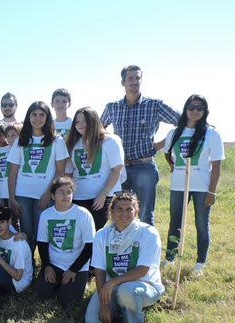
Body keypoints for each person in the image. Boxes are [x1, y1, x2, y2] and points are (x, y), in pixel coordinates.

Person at [101, 65, 180, 226]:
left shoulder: (154, 105)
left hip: (144, 167)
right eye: (130, 78)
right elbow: (99, 129)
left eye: (137, 78)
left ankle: (147, 250)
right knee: (117, 212)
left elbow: (182, 121)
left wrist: (159, 145)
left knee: (145, 214)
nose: (134, 82)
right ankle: (122, 248)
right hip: (119, 169)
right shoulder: (112, 107)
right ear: (123, 82)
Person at [161, 95, 224, 274]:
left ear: (205, 111)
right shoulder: (174, 133)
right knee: (175, 223)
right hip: (178, 185)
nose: (195, 111)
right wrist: (173, 165)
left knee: (201, 224)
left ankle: (200, 263)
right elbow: (167, 152)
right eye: (191, 107)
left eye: (200, 108)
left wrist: (212, 192)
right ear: (185, 109)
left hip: (202, 187)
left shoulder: (211, 133)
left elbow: (217, 166)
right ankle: (170, 258)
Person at [84, 192, 164, 323]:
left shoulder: (149, 233)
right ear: (112, 211)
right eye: (119, 209)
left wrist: (112, 282)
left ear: (136, 211)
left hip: (144, 286)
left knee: (126, 290)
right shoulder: (102, 235)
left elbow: (142, 270)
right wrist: (104, 304)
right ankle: (119, 312)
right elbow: (100, 270)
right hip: (111, 288)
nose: (124, 213)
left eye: (129, 209)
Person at [7, 101, 69, 252]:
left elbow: (60, 172)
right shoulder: (21, 140)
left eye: (42, 115)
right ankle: (29, 267)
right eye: (34, 115)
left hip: (44, 195)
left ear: (47, 117)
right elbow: (12, 172)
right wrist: (12, 198)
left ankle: (45, 267)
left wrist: (48, 193)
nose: (37, 118)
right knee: (27, 232)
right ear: (28, 116)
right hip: (23, 195)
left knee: (43, 233)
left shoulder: (57, 140)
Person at [33, 178, 95, 309]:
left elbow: (90, 246)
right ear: (52, 195)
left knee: (68, 304)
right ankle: (59, 284)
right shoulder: (46, 215)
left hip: (76, 266)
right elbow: (42, 243)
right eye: (60, 192)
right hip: (55, 263)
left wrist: (73, 270)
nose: (65, 196)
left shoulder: (83, 214)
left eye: (69, 192)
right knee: (39, 294)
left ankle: (78, 282)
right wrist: (47, 266)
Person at [65, 107, 125, 230]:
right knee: (80, 235)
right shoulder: (73, 143)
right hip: (78, 197)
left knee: (95, 233)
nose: (80, 125)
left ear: (93, 121)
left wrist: (103, 194)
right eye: (77, 122)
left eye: (84, 120)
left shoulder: (110, 140)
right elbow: (69, 173)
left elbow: (116, 170)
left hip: (101, 197)